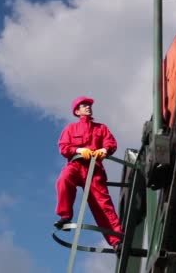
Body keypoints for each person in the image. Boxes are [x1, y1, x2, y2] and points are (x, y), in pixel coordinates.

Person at [54, 96, 123, 252]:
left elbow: (110, 143)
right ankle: (65, 217)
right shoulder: (70, 129)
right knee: (64, 180)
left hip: (94, 170)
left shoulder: (101, 128)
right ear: (77, 111)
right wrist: (78, 150)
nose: (88, 107)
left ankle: (116, 239)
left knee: (103, 204)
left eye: (88, 105)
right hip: (76, 165)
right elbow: (63, 147)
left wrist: (104, 150)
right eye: (84, 105)